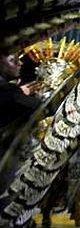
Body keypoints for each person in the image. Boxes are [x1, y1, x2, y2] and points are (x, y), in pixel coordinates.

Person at [0, 49, 41, 212]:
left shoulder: (9, 89)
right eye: (13, 60)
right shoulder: (8, 92)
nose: (20, 63)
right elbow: (36, 106)